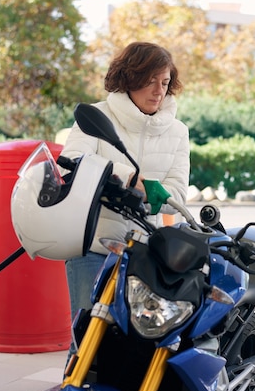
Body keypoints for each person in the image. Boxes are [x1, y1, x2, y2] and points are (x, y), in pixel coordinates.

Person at [60, 41, 190, 336]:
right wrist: (129, 179)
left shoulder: (178, 132)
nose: (159, 91)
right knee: (86, 339)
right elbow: (72, 161)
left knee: (134, 343)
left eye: (165, 83)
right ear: (130, 78)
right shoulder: (97, 116)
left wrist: (154, 193)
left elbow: (178, 196)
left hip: (145, 255)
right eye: (150, 82)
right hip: (92, 247)